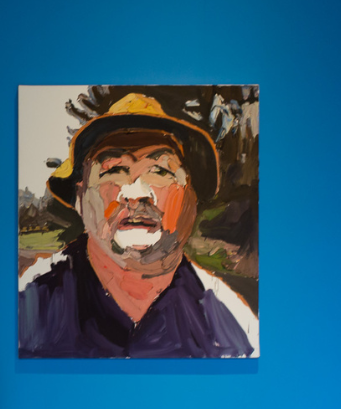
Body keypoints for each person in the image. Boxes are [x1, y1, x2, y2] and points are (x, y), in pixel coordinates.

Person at [18, 93, 259, 358]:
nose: (135, 192)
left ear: (192, 202)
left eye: (161, 171)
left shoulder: (235, 326)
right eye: (112, 171)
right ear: (79, 198)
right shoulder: (26, 309)